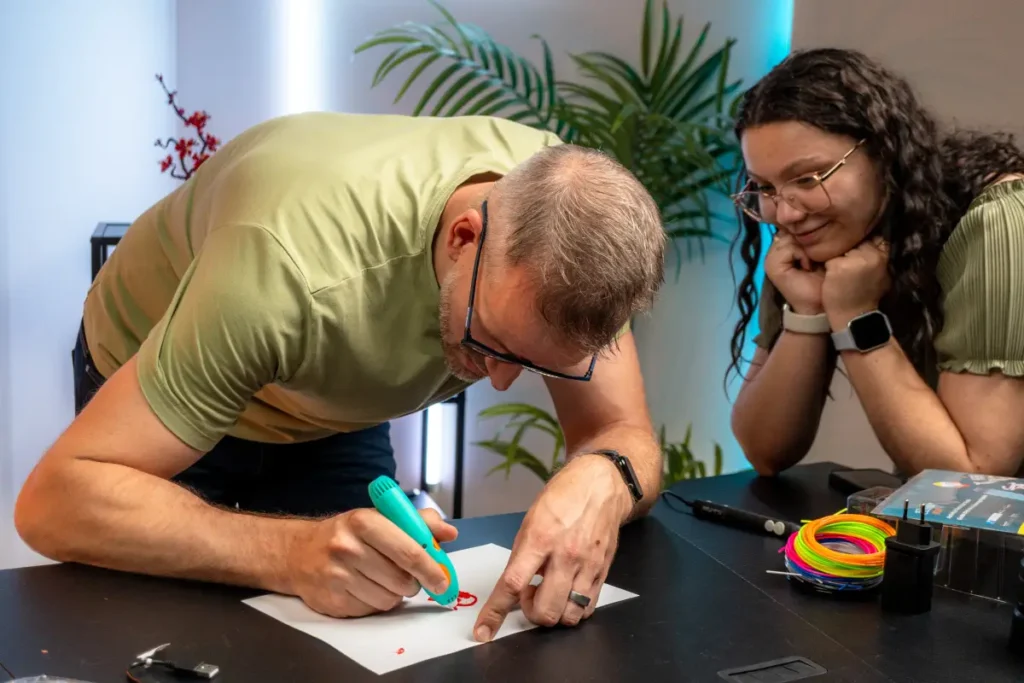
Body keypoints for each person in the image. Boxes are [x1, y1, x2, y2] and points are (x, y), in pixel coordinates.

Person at [14, 112, 667, 643]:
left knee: (360, 621)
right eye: (488, 340)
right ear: (464, 237)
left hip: (323, 396)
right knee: (175, 641)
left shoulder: (569, 234)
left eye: (533, 362)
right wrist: (290, 553)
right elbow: (53, 504)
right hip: (165, 362)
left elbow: (622, 433)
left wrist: (604, 476)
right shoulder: (282, 269)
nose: (498, 380)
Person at [727, 48, 1024, 478]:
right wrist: (808, 312)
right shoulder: (812, 237)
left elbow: (969, 479)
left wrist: (857, 317)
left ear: (884, 154)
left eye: (809, 178)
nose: (786, 213)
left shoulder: (999, 219)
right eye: (765, 187)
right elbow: (765, 450)